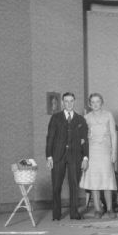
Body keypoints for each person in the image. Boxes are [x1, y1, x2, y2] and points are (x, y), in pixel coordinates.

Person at [46, 92, 89, 220]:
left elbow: (84, 140)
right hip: (57, 156)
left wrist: (85, 158)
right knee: (56, 186)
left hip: (75, 156)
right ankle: (56, 214)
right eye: (66, 101)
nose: (69, 103)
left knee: (74, 186)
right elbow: (50, 138)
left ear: (74, 101)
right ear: (62, 103)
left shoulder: (81, 119)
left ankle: (74, 213)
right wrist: (49, 157)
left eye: (71, 101)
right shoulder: (55, 118)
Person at [79, 93, 118, 219]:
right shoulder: (86, 117)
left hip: (106, 151)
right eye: (93, 102)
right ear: (90, 104)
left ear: (102, 102)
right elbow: (83, 137)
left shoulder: (108, 115)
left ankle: (110, 209)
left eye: (98, 101)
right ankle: (97, 209)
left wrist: (114, 152)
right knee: (94, 181)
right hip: (92, 152)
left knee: (107, 181)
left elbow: (113, 134)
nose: (95, 104)